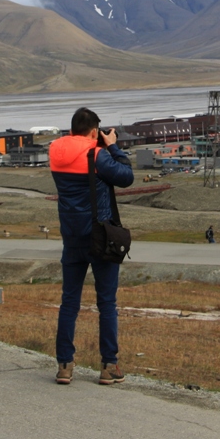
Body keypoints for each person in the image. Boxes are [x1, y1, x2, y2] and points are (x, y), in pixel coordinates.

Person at [49, 108, 134, 385]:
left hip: (72, 236)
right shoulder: (96, 156)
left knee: (69, 302)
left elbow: (77, 157)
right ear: (94, 131)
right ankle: (109, 365)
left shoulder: (55, 152)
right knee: (106, 303)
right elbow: (125, 176)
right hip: (100, 235)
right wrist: (113, 147)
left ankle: (65, 365)